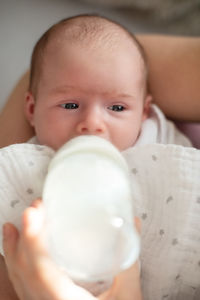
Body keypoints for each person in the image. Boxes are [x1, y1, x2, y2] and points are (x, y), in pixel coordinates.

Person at [0, 14, 199, 300]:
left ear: (144, 113)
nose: (92, 123)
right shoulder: (22, 162)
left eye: (117, 108)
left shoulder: (160, 140)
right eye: (69, 105)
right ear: (31, 110)